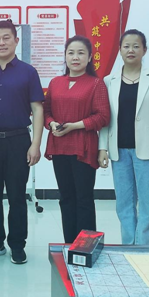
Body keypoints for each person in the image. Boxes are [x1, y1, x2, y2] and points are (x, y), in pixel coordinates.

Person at [0, 20, 44, 264]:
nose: (1, 43)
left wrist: (35, 144)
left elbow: (38, 108)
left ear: (16, 40)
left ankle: (17, 245)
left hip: (18, 141)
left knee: (17, 196)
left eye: (6, 38)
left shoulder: (28, 72)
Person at [98, 29, 149, 245]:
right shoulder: (109, 80)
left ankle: (146, 250)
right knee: (124, 204)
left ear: (144, 50)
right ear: (120, 50)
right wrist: (102, 148)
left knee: (148, 204)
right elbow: (105, 118)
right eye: (126, 46)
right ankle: (129, 247)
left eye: (136, 46)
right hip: (119, 150)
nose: (131, 50)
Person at [44, 35, 110, 243]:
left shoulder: (96, 84)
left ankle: (86, 247)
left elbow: (103, 116)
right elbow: (45, 111)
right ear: (65, 56)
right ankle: (69, 244)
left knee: (84, 199)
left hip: (84, 148)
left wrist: (75, 125)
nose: (75, 57)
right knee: (66, 198)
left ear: (89, 57)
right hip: (59, 146)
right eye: (71, 53)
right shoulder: (55, 83)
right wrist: (52, 124)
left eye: (81, 53)